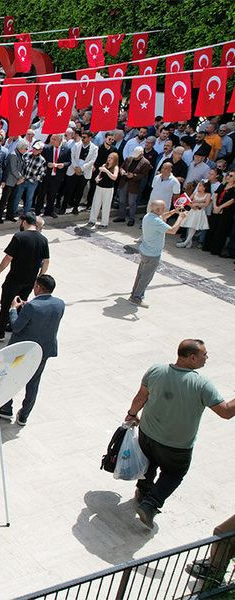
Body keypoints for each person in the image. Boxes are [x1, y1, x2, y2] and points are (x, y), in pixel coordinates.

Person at [124, 339, 235, 528]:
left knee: (148, 463)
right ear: (192, 357)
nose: (207, 357)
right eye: (204, 354)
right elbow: (225, 412)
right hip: (177, 446)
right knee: (174, 474)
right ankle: (150, 504)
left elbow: (140, 397)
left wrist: (132, 415)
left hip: (147, 434)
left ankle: (143, 492)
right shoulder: (201, 384)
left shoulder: (156, 370)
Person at [0, 275, 65, 425]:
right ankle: (24, 415)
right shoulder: (60, 304)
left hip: (24, 351)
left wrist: (14, 309)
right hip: (44, 351)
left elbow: (16, 327)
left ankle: (6, 409)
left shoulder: (32, 307)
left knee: (11, 377)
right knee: (33, 383)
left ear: (38, 287)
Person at [0, 214, 50, 340]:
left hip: (14, 279)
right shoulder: (43, 239)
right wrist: (40, 278)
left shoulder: (19, 237)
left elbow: (8, 257)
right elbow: (46, 261)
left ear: (24, 222)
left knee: (6, 304)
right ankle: (14, 326)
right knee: (20, 303)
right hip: (30, 280)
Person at [129, 200, 188, 308]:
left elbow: (162, 217)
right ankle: (136, 297)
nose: (164, 210)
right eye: (163, 208)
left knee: (141, 274)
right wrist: (181, 217)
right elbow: (173, 230)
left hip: (145, 251)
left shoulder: (148, 216)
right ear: (157, 210)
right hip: (152, 254)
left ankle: (134, 294)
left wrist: (174, 211)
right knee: (146, 277)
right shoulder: (156, 221)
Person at [88, 152, 120, 228]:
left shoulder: (115, 167)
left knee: (106, 206)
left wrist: (106, 171)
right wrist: (97, 179)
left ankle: (104, 223)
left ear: (115, 159)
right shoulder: (104, 165)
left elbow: (114, 177)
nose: (109, 159)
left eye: (111, 158)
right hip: (99, 187)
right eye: (109, 157)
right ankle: (92, 220)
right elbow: (99, 175)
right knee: (96, 204)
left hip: (108, 189)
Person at [176, 181, 211, 249]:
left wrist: (198, 203)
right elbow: (188, 200)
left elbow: (206, 203)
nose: (198, 187)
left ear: (204, 187)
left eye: (200, 186)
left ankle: (185, 242)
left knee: (193, 227)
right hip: (192, 211)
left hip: (199, 212)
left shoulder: (208, 194)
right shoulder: (195, 193)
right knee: (190, 226)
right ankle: (189, 243)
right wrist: (192, 206)